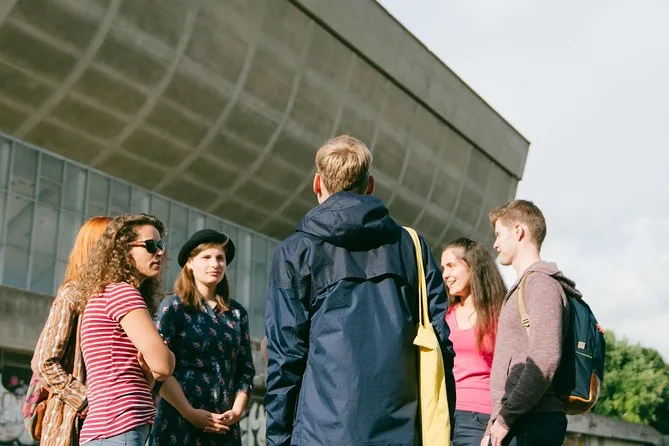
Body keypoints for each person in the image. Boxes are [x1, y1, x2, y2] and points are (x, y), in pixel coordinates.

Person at [264, 135, 456, 446]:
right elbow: (440, 344)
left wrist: (278, 439)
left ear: (317, 184)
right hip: (400, 432)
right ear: (370, 185)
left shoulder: (295, 251)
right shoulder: (411, 247)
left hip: (320, 433)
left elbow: (285, 356)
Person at [483, 200, 579, 446]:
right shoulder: (527, 284)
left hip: (530, 421)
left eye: (499, 235)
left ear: (518, 231)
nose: (495, 244)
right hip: (519, 419)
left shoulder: (541, 284)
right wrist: (494, 424)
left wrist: (505, 420)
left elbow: (545, 358)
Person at [74, 213, 175, 445]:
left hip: (109, 429)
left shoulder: (105, 293)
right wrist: (166, 357)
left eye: (161, 245)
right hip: (118, 427)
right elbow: (163, 366)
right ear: (124, 250)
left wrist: (154, 368)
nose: (160, 252)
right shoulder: (123, 293)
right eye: (151, 245)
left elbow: (151, 377)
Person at [150, 229, 255, 445]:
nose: (215, 264)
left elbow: (245, 370)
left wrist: (236, 411)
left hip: (224, 426)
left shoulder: (237, 313)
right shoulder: (173, 308)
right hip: (178, 422)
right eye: (206, 257)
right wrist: (190, 413)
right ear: (189, 263)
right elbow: (159, 369)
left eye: (220, 258)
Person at [31, 216, 112, 446]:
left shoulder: (112, 296)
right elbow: (44, 361)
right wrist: (85, 401)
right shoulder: (73, 294)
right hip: (71, 424)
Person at [440, 238, 506, 446]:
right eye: (443, 268)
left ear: (473, 265)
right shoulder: (445, 315)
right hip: (443, 416)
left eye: (451, 266)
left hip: (481, 419)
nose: (445, 274)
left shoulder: (500, 315)